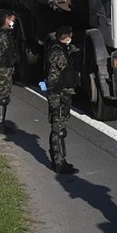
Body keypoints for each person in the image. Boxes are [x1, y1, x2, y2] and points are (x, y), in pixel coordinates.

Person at [44, 26, 79, 174]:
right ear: (67, 35)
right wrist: (58, 94)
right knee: (58, 130)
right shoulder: (58, 53)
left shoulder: (61, 49)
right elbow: (53, 78)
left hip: (62, 94)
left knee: (59, 129)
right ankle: (59, 163)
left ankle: (60, 160)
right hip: (59, 95)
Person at [0, 10, 20, 134]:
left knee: (5, 97)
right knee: (2, 98)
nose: (14, 21)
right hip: (2, 69)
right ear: (6, 20)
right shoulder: (2, 34)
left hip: (6, 69)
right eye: (12, 19)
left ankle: (0, 123)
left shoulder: (7, 33)